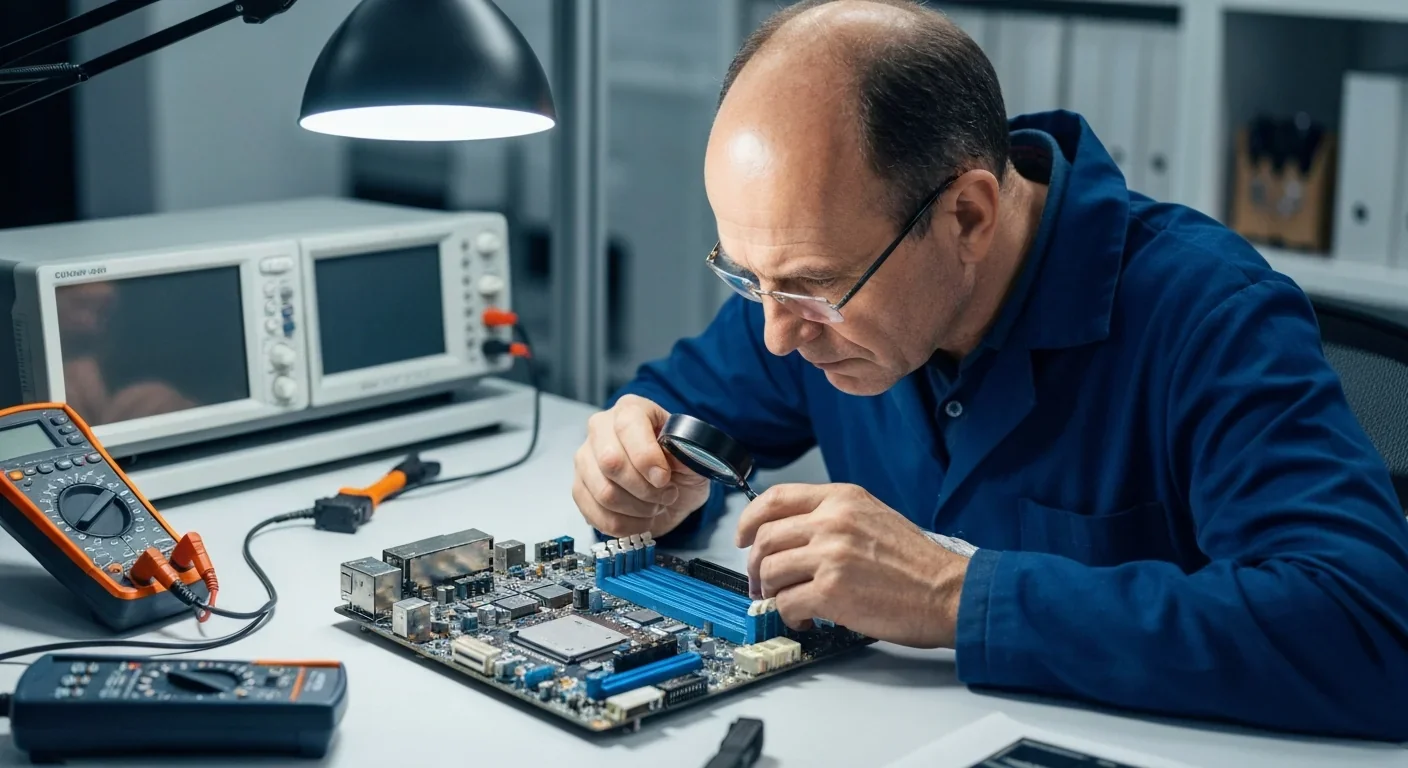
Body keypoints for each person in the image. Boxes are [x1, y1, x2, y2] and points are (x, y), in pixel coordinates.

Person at [569, 0, 1408, 742]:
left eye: (812, 287)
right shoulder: (808, 284)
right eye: (748, 278)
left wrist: (954, 595)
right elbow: (676, 412)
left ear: (967, 216)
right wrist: (641, 477)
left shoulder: (1210, 315)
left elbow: (1369, 629)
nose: (778, 336)